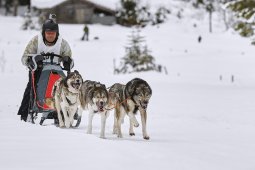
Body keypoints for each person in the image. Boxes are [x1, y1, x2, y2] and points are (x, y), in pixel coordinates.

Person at [17, 15, 74, 121]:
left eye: (53, 33)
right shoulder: (35, 41)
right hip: (38, 69)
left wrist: (67, 61)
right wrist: (32, 60)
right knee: (32, 87)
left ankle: (62, 110)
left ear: (57, 33)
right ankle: (26, 112)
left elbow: (70, 60)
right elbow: (24, 58)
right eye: (48, 33)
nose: (50, 36)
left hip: (56, 70)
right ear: (44, 32)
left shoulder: (63, 43)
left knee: (64, 86)